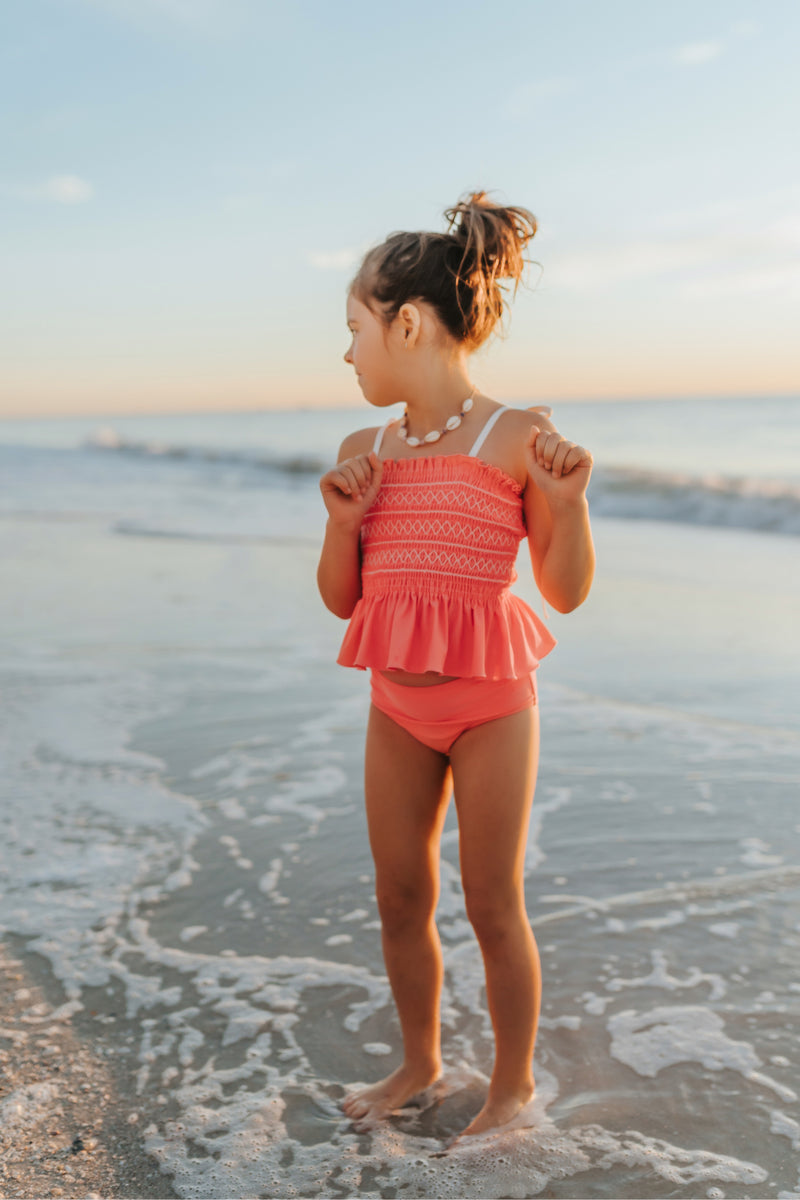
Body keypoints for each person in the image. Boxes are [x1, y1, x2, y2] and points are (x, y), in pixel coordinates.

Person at [317, 190, 595, 1142]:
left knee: (490, 901)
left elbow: (563, 590)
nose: (348, 351)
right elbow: (343, 599)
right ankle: (421, 1059)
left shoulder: (517, 435)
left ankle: (512, 1082)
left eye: (353, 329)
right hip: (395, 705)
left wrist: (570, 503)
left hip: (490, 708)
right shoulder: (366, 451)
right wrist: (344, 522)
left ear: (405, 322)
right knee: (400, 893)